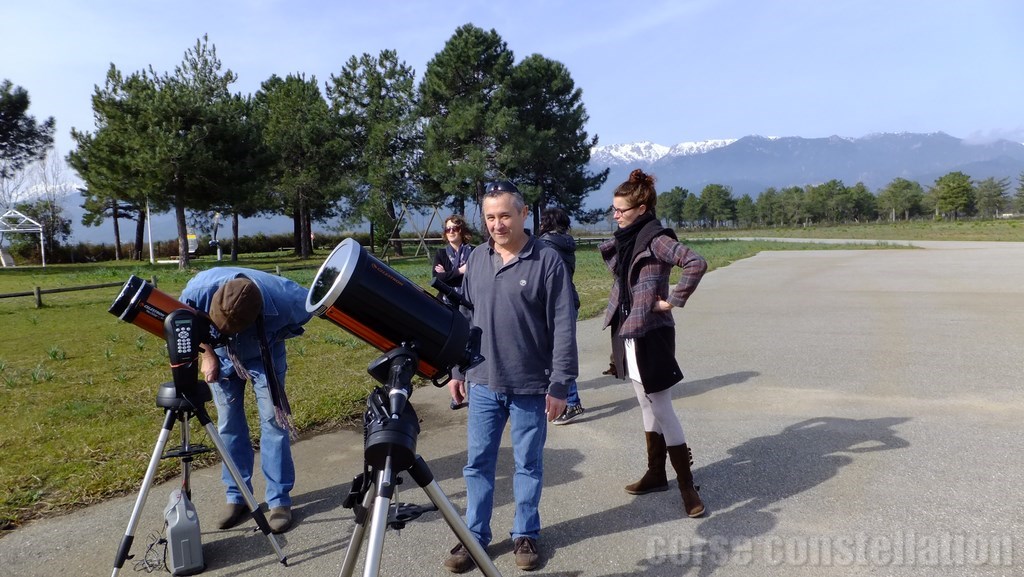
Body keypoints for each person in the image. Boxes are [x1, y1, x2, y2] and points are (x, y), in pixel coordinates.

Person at [444, 181, 578, 573]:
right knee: (478, 464)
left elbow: (564, 325)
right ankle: (473, 536)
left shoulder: (547, 260)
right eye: (490, 217)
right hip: (483, 381)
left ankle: (525, 533)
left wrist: (561, 385)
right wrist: (456, 368)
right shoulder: (479, 260)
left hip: (531, 384)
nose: (497, 224)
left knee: (527, 464)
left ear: (522, 214)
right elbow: (465, 318)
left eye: (504, 215)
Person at [599, 168, 708, 518]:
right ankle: (655, 473)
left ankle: (686, 485)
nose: (615, 216)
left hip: (653, 332)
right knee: (645, 405)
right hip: (628, 330)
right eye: (613, 210)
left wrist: (672, 299)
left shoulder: (655, 237)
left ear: (642, 208)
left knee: (661, 407)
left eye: (621, 211)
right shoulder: (625, 238)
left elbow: (695, 262)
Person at [180, 267, 312, 534]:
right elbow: (186, 323)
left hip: (265, 353)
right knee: (228, 425)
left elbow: (307, 314)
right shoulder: (197, 291)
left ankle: (279, 501)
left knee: (274, 423)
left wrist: (271, 336)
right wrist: (208, 354)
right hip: (221, 354)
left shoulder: (289, 298)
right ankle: (237, 496)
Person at [536, 206, 585, 425]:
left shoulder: (546, 245)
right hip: (570, 299)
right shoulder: (567, 243)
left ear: (545, 222)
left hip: (554, 303)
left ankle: (571, 402)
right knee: (562, 349)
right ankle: (567, 400)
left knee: (557, 353)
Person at [432, 214, 474, 307]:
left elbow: (474, 280)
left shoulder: (474, 252)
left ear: (462, 231)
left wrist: (446, 274)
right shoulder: (441, 253)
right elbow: (437, 280)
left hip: (469, 301)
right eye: (447, 229)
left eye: (454, 228)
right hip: (444, 303)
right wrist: (460, 271)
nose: (451, 232)